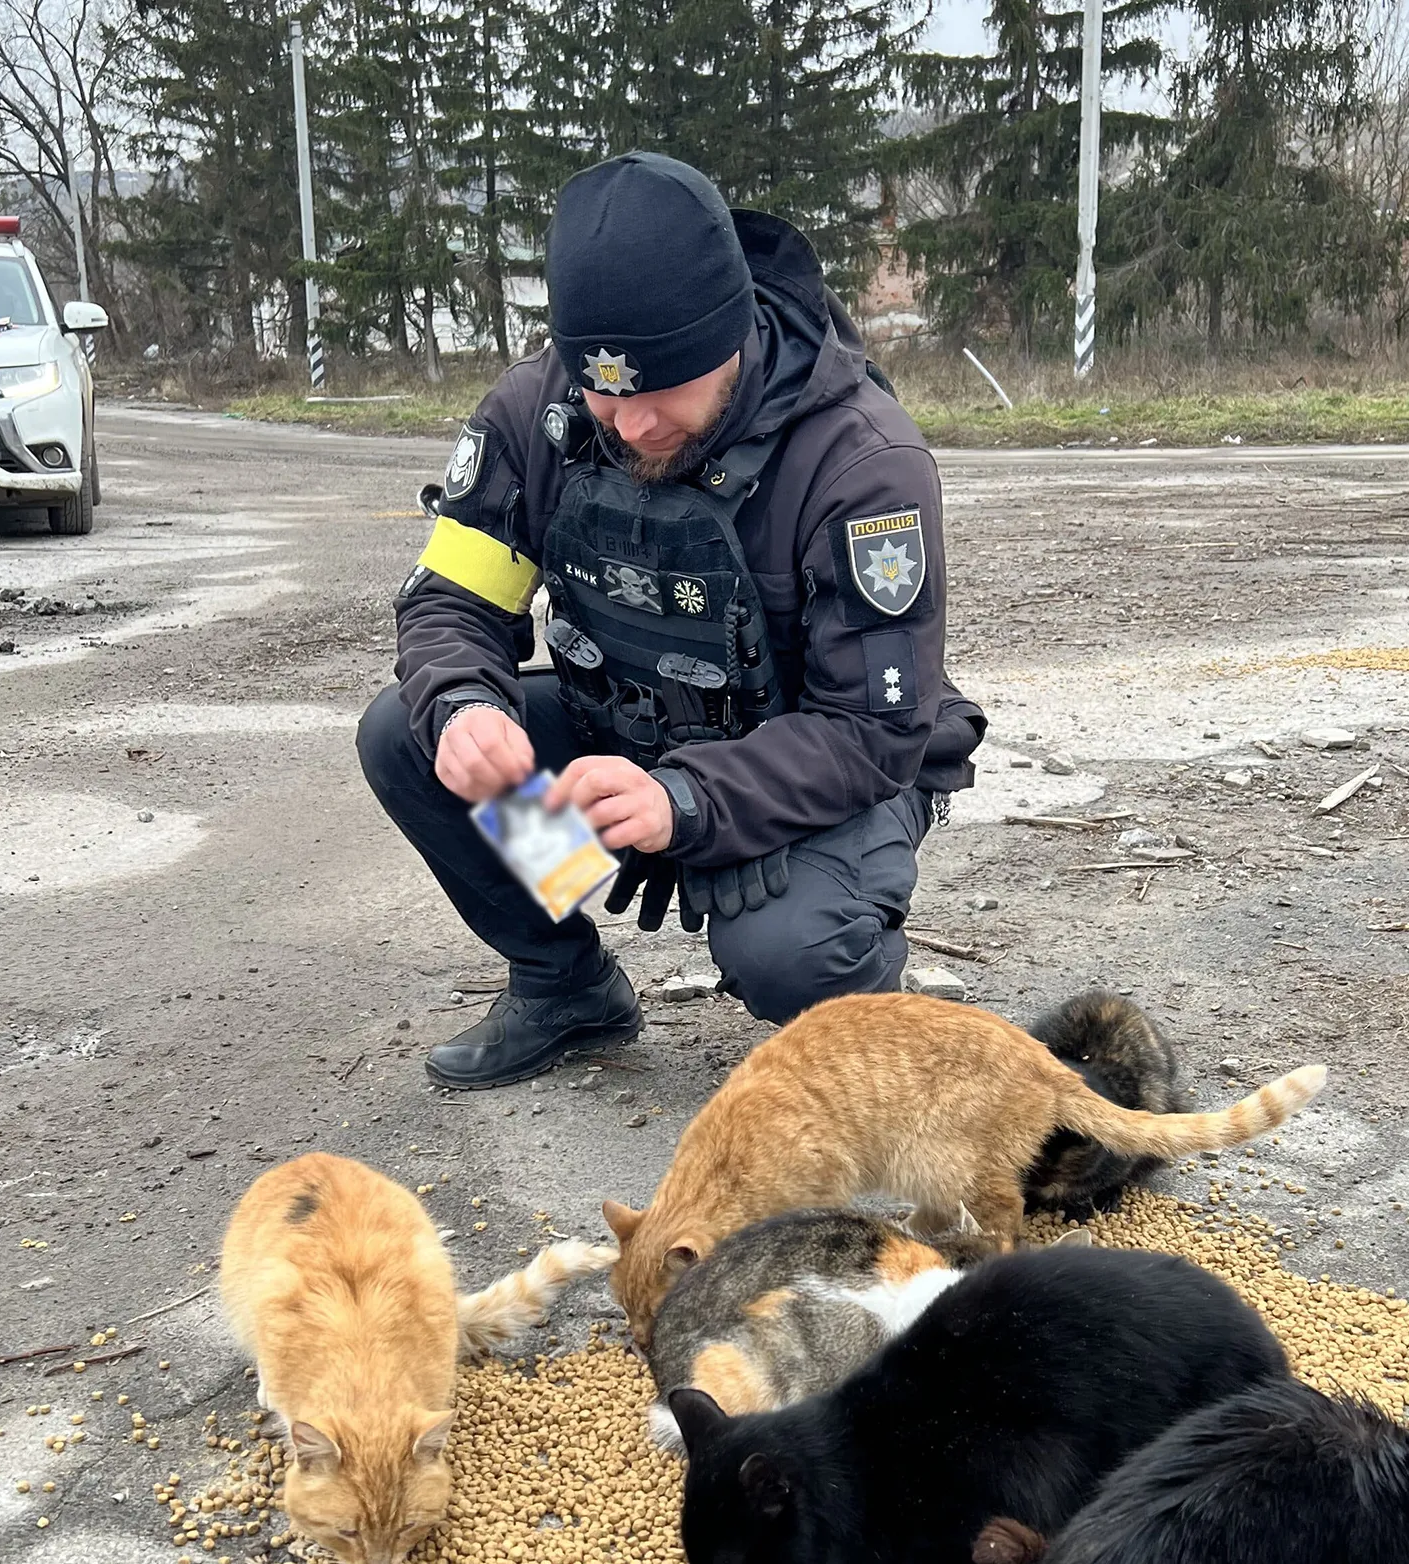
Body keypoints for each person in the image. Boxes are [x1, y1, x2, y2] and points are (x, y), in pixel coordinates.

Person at [358, 150, 986, 1088]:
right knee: (404, 738)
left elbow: (873, 729)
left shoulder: (861, 460)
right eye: (604, 390)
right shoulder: (540, 411)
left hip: (807, 759)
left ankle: (877, 1036)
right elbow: (451, 595)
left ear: (732, 336)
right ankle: (566, 984)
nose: (632, 424)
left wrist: (686, 802)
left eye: (663, 393)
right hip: (623, 731)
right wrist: (461, 704)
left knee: (787, 951)